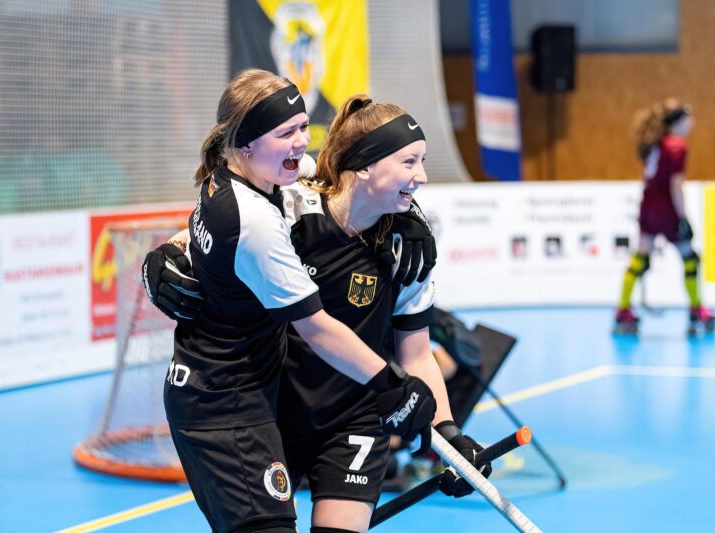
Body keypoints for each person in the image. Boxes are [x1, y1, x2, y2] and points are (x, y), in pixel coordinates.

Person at [144, 90, 492, 532]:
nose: (421, 176)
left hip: (356, 418)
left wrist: (448, 434)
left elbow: (417, 354)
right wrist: (165, 256)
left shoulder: (407, 250)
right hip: (276, 408)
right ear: (364, 165)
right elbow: (231, 229)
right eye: (409, 162)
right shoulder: (293, 207)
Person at [614, 99, 715, 335]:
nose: (692, 123)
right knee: (690, 259)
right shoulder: (676, 146)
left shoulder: (654, 143)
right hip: (666, 208)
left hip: (648, 206)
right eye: (688, 119)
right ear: (677, 122)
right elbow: (675, 186)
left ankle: (622, 310)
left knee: (639, 260)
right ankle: (697, 311)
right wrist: (683, 218)